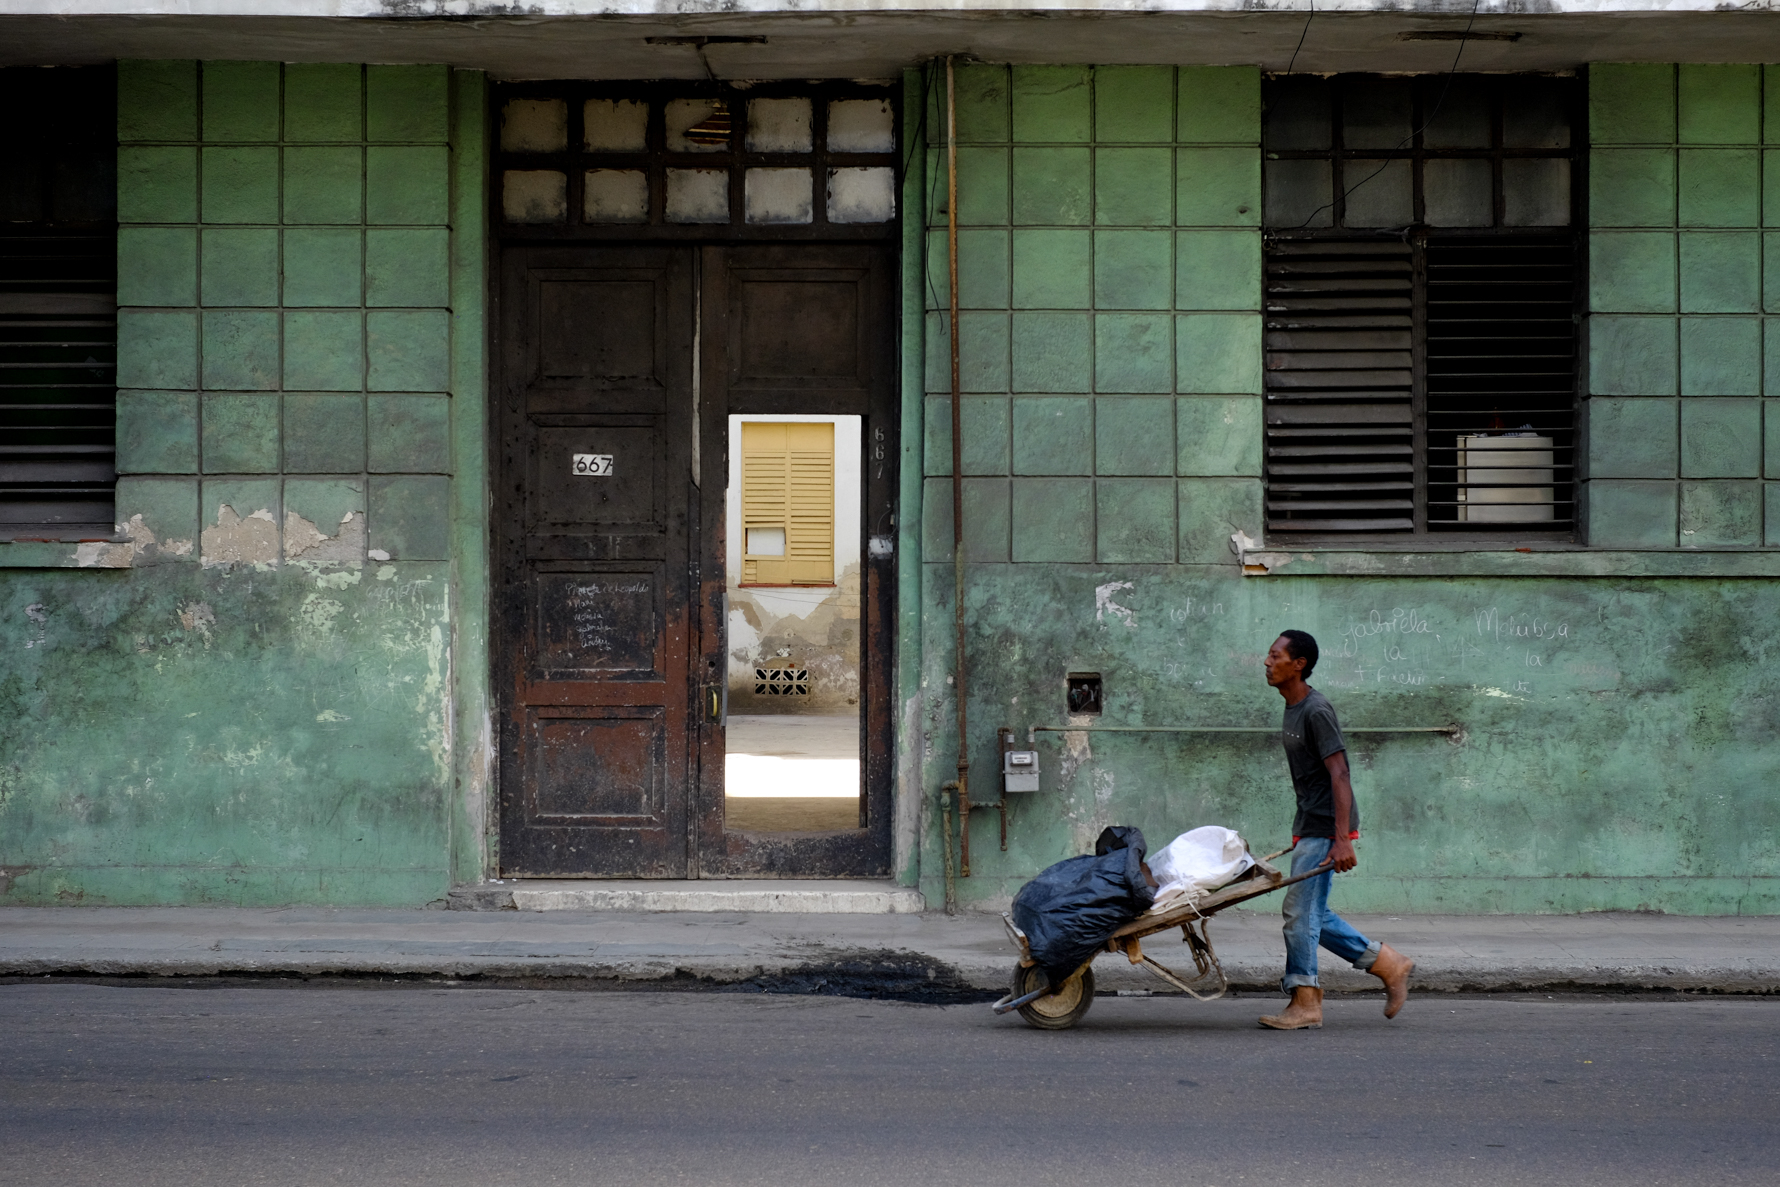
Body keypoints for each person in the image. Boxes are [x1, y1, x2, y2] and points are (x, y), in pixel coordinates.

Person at [1257, 629, 1414, 1031]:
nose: (1267, 662)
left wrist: (1342, 838)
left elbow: (1340, 773)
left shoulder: (1316, 710)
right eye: (1269, 655)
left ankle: (1306, 999)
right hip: (1312, 822)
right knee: (1312, 913)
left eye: (1276, 656)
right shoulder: (1293, 708)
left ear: (1299, 664)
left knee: (1298, 913)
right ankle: (1389, 964)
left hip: (1328, 826)